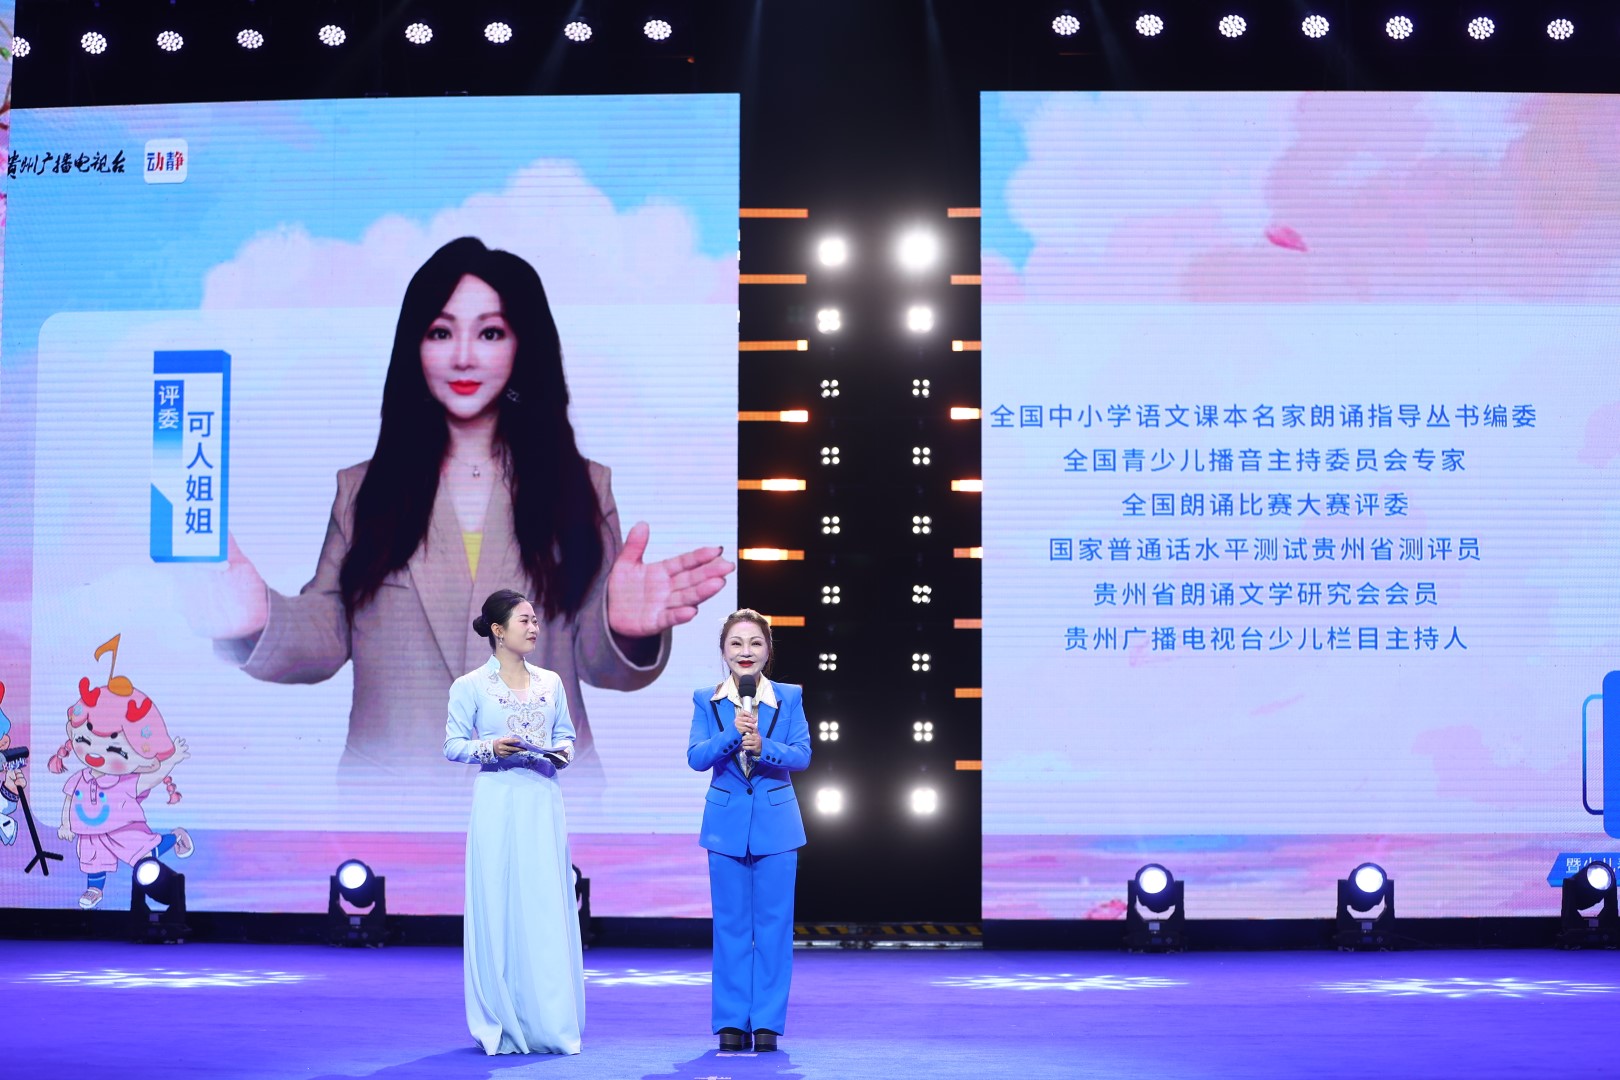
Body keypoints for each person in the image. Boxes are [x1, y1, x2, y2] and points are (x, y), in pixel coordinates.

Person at [191, 236, 733, 774]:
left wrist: (623, 627)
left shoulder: (581, 486)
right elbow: (327, 631)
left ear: (522, 345)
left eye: (490, 332)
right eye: (441, 332)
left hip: (541, 791)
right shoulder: (361, 490)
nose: (464, 356)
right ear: (415, 345)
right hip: (392, 795)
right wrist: (260, 618)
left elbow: (598, 660)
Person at [446, 588, 584, 1055]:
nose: (533, 627)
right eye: (524, 620)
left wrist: (561, 752)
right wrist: (491, 747)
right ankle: (501, 1021)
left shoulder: (551, 682)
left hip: (542, 799)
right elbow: (452, 744)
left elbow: (566, 735)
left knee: (544, 905)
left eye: (535, 620)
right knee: (499, 903)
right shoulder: (470, 686)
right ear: (498, 630)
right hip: (498, 799)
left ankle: (548, 1021)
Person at [686, 609, 811, 1053]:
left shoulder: (788, 697)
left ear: (768, 650)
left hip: (778, 827)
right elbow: (696, 757)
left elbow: (802, 755)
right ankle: (731, 1022)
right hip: (725, 828)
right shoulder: (707, 699)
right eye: (736, 643)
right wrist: (731, 736)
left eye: (755, 643)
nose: (745, 651)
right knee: (731, 928)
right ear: (723, 651)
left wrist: (765, 746)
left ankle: (768, 1024)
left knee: (774, 929)